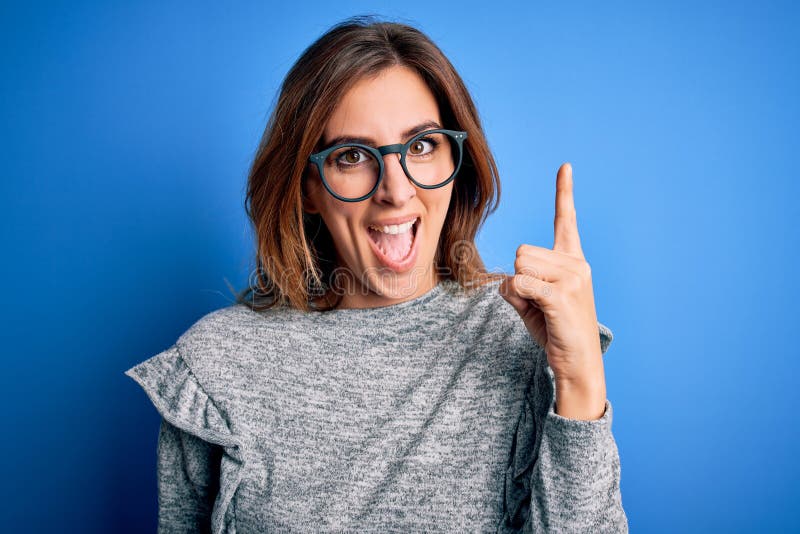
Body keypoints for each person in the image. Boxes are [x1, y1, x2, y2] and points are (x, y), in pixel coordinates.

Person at [124, 15, 628, 533]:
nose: (395, 189)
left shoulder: (526, 342)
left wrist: (580, 379)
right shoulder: (217, 365)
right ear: (307, 189)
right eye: (351, 156)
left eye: (422, 146)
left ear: (460, 161)